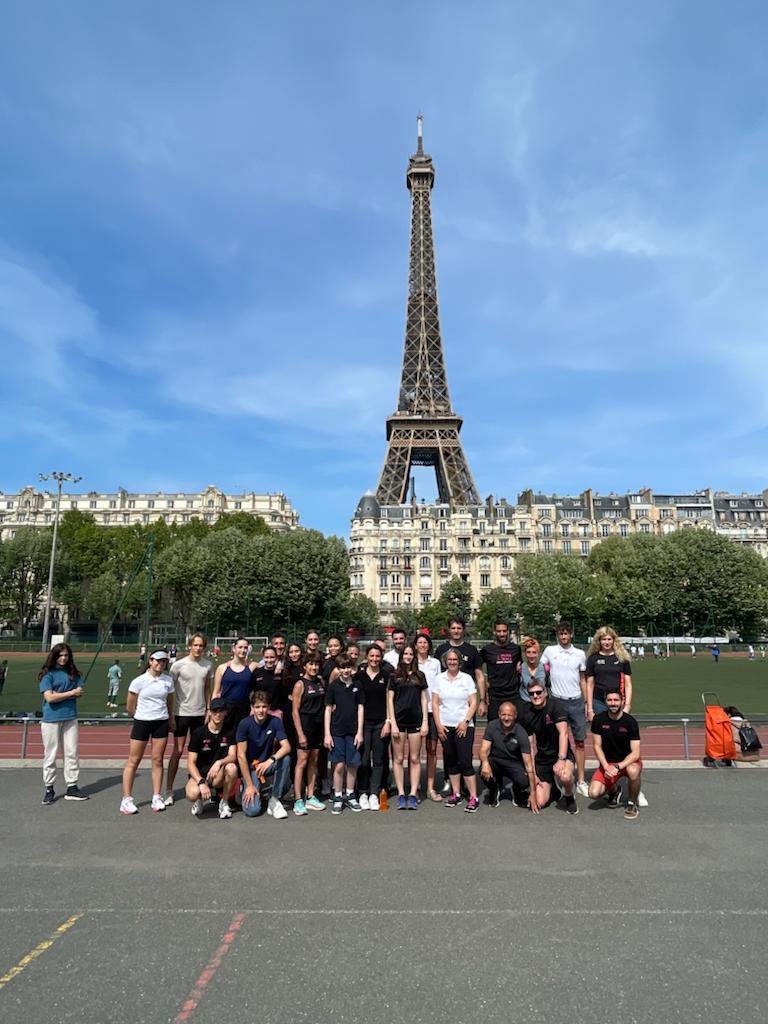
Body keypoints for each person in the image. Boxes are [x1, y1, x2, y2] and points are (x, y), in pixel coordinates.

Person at [121, 651, 174, 815]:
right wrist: (137, 716)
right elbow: (130, 705)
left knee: (158, 760)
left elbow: (169, 701)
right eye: (157, 660)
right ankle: (127, 799)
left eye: (164, 661)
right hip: (142, 722)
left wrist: (171, 718)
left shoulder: (168, 680)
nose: (160, 664)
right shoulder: (139, 681)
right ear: (150, 661)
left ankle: (157, 796)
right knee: (134, 760)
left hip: (161, 722)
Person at [163, 633, 214, 806]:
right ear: (190, 646)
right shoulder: (178, 666)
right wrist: (170, 715)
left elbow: (208, 688)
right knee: (177, 752)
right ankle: (169, 790)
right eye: (196, 645)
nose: (198, 648)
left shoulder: (208, 665)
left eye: (201, 646)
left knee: (198, 753)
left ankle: (196, 786)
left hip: (200, 715)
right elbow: (169, 691)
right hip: (181, 714)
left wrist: (208, 709)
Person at [541, 622, 589, 797]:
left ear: (571, 634)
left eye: (566, 633)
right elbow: (540, 671)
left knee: (580, 742)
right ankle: (558, 775)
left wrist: (587, 704)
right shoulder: (549, 651)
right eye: (561, 634)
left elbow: (583, 679)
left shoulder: (580, 654)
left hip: (576, 701)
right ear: (557, 635)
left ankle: (581, 780)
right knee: (556, 740)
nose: (563, 637)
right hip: (556, 701)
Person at [518, 677, 578, 814]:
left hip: (561, 755)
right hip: (543, 759)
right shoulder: (526, 712)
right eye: (532, 693)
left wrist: (561, 759)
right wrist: (533, 773)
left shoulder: (556, 706)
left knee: (564, 776)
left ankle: (569, 796)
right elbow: (530, 746)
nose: (535, 696)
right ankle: (554, 791)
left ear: (545, 692)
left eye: (539, 692)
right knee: (537, 802)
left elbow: (563, 733)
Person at [38, 643, 88, 805]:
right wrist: (72, 693)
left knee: (72, 752)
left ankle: (72, 787)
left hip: (70, 717)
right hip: (51, 719)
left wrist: (78, 692)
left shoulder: (73, 673)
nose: (63, 658)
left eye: (66, 655)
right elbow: (50, 698)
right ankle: (49, 788)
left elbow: (80, 690)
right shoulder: (48, 675)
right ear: (54, 656)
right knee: (50, 754)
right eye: (60, 655)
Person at [432, 649, 479, 812]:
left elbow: (473, 702)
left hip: (463, 727)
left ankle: (473, 797)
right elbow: (435, 703)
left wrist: (466, 721)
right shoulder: (439, 679)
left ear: (459, 661)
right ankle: (456, 793)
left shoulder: (466, 679)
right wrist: (438, 725)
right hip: (445, 726)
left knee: (465, 761)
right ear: (446, 662)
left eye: (455, 659)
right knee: (451, 761)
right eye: (449, 660)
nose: (452, 662)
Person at [588, 690, 642, 820]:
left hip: (627, 762)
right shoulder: (598, 720)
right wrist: (606, 766)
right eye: (610, 700)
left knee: (633, 771)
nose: (613, 703)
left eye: (616, 700)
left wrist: (618, 767)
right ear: (605, 702)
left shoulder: (630, 722)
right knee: (593, 793)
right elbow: (596, 746)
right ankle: (614, 790)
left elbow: (636, 753)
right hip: (608, 763)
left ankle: (631, 802)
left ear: (622, 701)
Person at [236, 691, 291, 819]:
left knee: (286, 760)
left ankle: (274, 799)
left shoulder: (275, 721)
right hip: (252, 770)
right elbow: (241, 757)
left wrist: (270, 760)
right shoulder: (244, 724)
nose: (261, 710)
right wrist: (250, 785)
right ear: (252, 708)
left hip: (266, 765)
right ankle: (247, 788)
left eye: (264, 706)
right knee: (252, 811)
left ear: (269, 707)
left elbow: (287, 747)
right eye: (257, 707)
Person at [387, 644, 429, 810]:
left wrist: (425, 721)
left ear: (414, 656)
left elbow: (424, 700)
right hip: (399, 721)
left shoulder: (420, 675)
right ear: (401, 655)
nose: (408, 656)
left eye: (411, 654)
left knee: (414, 758)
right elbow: (389, 700)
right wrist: (393, 723)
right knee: (398, 759)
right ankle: (401, 794)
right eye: (406, 653)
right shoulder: (394, 675)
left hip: (415, 722)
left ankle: (412, 793)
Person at [186, 697, 238, 819]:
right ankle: (199, 800)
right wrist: (201, 782)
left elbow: (232, 756)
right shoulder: (198, 733)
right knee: (193, 794)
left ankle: (224, 802)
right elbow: (191, 763)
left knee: (232, 768)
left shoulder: (229, 731)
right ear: (209, 712)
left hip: (217, 775)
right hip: (200, 775)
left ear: (225, 712)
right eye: (215, 711)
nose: (218, 714)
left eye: (221, 711)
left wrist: (219, 762)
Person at [324, 654, 364, 813]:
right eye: (342, 667)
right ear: (338, 669)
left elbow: (361, 708)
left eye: (348, 667)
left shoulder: (358, 685)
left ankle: (350, 794)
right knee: (339, 765)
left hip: (353, 731)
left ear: (352, 668)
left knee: (353, 764)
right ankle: (338, 796)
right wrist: (327, 733)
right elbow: (328, 709)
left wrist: (360, 732)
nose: (345, 670)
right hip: (337, 731)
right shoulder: (333, 686)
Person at [478, 701, 536, 810]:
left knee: (524, 781)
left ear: (515, 716)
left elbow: (528, 764)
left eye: (510, 715)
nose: (506, 718)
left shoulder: (521, 733)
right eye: (504, 714)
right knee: (482, 769)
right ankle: (495, 788)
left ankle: (517, 790)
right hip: (495, 760)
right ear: (499, 715)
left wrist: (533, 793)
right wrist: (485, 763)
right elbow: (483, 750)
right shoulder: (492, 726)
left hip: (513, 763)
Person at [355, 644, 390, 810]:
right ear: (367, 657)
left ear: (381, 657)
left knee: (378, 759)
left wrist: (388, 722)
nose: (374, 659)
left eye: (377, 656)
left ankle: (374, 793)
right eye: (372, 656)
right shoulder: (359, 676)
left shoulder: (387, 675)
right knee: (362, 760)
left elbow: (390, 700)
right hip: (363, 724)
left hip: (380, 724)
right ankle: (362, 791)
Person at [291, 654, 327, 815]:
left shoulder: (320, 682)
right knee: (302, 762)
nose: (314, 667)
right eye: (310, 664)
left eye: (316, 664)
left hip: (318, 727)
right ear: (304, 666)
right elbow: (295, 712)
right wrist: (300, 733)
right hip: (305, 726)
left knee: (314, 760)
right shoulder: (300, 684)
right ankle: (298, 799)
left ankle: (310, 795)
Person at [414, 633, 443, 801]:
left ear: (429, 646)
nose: (423, 645)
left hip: (433, 711)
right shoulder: (411, 662)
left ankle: (430, 788)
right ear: (415, 645)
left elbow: (439, 685)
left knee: (432, 751)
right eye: (420, 642)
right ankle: (415, 788)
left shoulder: (436, 663)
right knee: (414, 752)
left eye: (425, 642)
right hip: (416, 711)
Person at [479, 619, 522, 721]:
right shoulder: (487, 650)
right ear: (494, 632)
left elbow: (520, 667)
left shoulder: (516, 649)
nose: (502, 634)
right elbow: (477, 669)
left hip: (513, 695)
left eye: (504, 631)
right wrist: (484, 697)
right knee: (494, 729)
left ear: (508, 632)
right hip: (494, 697)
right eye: (499, 631)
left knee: (516, 728)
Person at [586, 627, 633, 720]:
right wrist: (590, 709)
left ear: (613, 640)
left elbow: (628, 684)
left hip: (618, 701)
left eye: (609, 639)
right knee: (601, 732)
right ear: (599, 641)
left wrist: (627, 705)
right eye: (604, 639)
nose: (606, 642)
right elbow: (590, 685)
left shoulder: (622, 658)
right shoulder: (592, 659)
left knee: (618, 732)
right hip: (598, 702)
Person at [211, 637, 253, 738]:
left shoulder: (252, 667)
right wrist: (211, 711)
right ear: (234, 648)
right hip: (226, 709)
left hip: (244, 709)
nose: (243, 650)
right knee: (225, 740)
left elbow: (269, 663)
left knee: (242, 739)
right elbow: (216, 692)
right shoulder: (222, 668)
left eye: (245, 648)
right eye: (240, 647)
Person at [518, 637, 548, 706]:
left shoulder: (544, 668)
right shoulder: (521, 668)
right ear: (525, 653)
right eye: (528, 652)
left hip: (541, 704)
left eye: (534, 652)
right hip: (525, 703)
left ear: (538, 653)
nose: (531, 655)